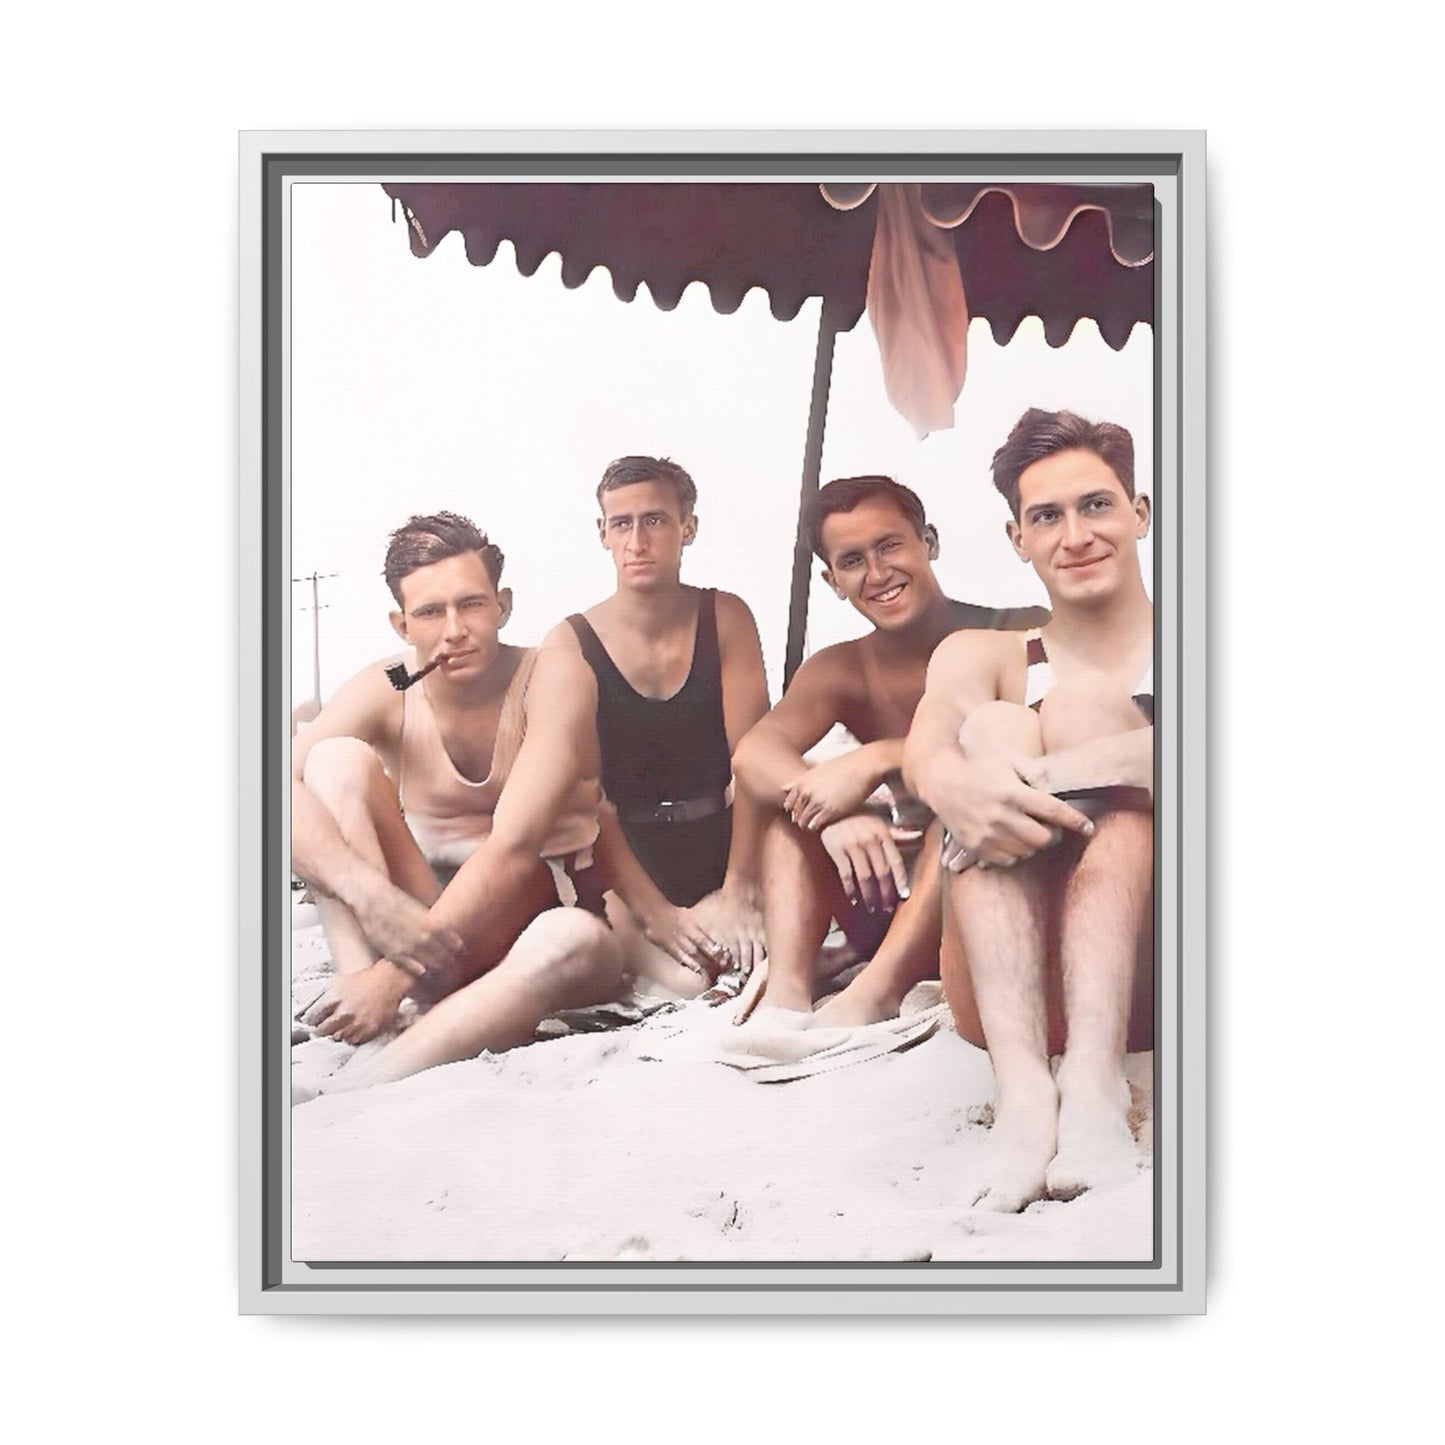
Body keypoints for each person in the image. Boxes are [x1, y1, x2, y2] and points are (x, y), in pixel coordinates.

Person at [903, 408, 1155, 1212]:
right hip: (1003, 981)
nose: (1074, 534)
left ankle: (1091, 1079)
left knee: (1079, 708)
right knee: (991, 725)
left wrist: (1048, 775)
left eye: (1095, 505)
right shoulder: (981, 653)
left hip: (1157, 972)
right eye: (1045, 515)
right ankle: (1024, 1092)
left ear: (1138, 513)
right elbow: (926, 753)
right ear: (1018, 537)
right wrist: (962, 782)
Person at [291, 511, 634, 1086]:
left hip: (533, 933)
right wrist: (367, 894)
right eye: (430, 611)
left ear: (502, 605)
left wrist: (394, 975)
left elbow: (515, 844)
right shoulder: (393, 683)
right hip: (415, 927)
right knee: (331, 759)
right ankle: (360, 1007)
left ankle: (357, 1081)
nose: (454, 630)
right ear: (402, 623)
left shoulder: (551, 673)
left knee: (569, 938)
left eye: (471, 604)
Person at [731, 475, 1046, 1028]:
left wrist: (879, 756)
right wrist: (836, 819)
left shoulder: (1017, 630)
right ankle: (787, 995)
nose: (877, 574)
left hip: (983, 882)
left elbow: (1048, 740)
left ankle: (875, 993)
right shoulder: (842, 667)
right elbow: (754, 753)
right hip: (882, 889)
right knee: (794, 819)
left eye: (890, 545)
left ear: (930, 541)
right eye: (852, 561)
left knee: (946, 813)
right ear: (831, 580)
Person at [544, 456, 771, 997]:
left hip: (723, 842)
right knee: (688, 983)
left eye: (655, 520)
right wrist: (659, 914)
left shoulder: (726, 616)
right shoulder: (568, 642)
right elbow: (583, 798)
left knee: (752, 959)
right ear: (602, 533)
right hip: (625, 861)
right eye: (621, 524)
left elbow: (754, 761)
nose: (637, 540)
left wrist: (739, 887)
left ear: (687, 527)